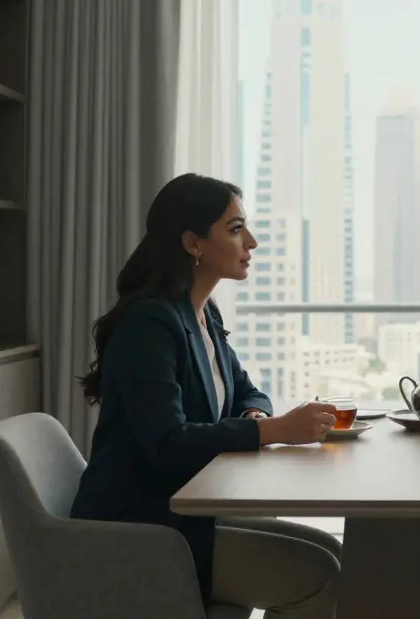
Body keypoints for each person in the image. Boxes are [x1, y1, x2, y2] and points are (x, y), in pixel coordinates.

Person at [70, 173, 342, 619]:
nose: (251, 242)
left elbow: (246, 390)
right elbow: (168, 445)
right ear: (193, 242)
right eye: (235, 230)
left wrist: (257, 414)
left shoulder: (201, 312)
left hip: (186, 513)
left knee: (331, 551)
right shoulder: (151, 324)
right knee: (320, 574)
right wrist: (274, 431)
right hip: (142, 528)